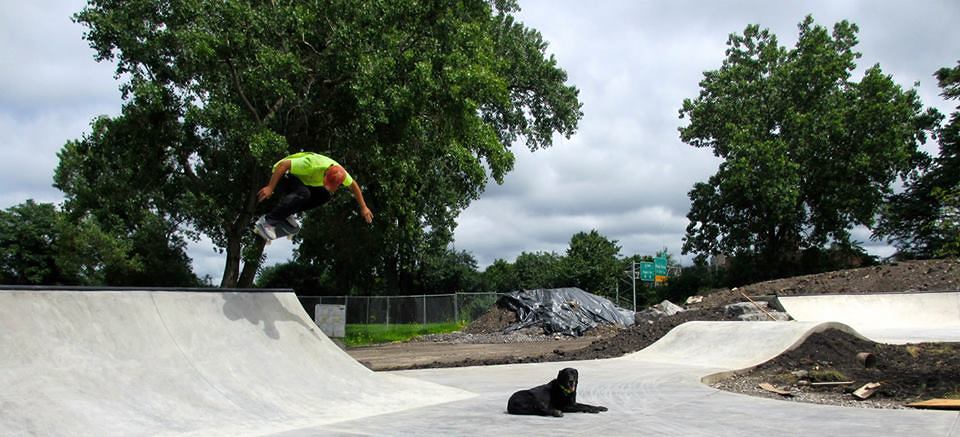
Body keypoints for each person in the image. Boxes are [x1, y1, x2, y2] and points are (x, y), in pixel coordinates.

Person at [255, 152, 373, 239]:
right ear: (325, 173)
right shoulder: (311, 164)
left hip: (302, 180)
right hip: (283, 173)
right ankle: (268, 221)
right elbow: (283, 165)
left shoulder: (342, 174)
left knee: (324, 195)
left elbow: (354, 186)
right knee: (304, 193)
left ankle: (287, 213)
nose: (325, 184)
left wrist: (363, 207)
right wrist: (270, 187)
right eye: (325, 181)